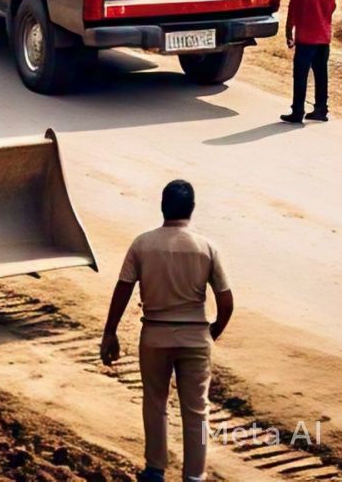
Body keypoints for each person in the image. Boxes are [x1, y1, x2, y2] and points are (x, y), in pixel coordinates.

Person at [101, 180, 234, 482]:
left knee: (155, 402)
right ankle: (195, 476)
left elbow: (122, 289)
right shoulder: (207, 247)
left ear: (162, 206)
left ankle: (155, 470)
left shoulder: (142, 244)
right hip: (195, 337)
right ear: (192, 209)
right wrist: (211, 333)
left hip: (155, 335)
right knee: (197, 409)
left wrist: (110, 332)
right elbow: (226, 302)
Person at [281, 0, 336, 124]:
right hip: (323, 40)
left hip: (306, 40)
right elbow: (332, 8)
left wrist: (289, 34)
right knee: (321, 75)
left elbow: (292, 14)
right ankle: (321, 109)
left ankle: (298, 111)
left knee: (300, 76)